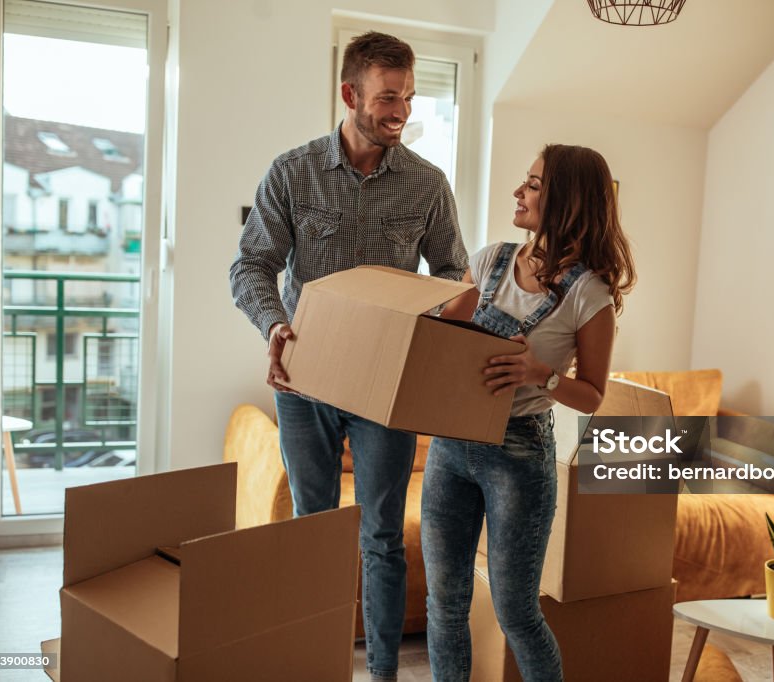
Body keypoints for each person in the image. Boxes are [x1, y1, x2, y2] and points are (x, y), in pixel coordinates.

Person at [229, 31, 467, 682]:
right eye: (388, 98)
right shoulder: (292, 172)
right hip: (304, 381)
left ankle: (384, 674)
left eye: (410, 98)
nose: (402, 112)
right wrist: (273, 326)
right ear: (350, 94)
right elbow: (252, 264)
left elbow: (453, 272)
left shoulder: (427, 185)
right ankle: (318, 665)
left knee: (383, 539)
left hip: (386, 388)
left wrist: (441, 326)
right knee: (315, 533)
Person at [421, 144, 636, 681]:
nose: (519, 192)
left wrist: (539, 373)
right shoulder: (490, 259)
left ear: (564, 200)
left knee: (516, 611)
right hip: (451, 446)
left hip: (518, 455)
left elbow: (591, 394)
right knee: (444, 603)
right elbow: (445, 336)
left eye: (534, 184)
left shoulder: (590, 294)